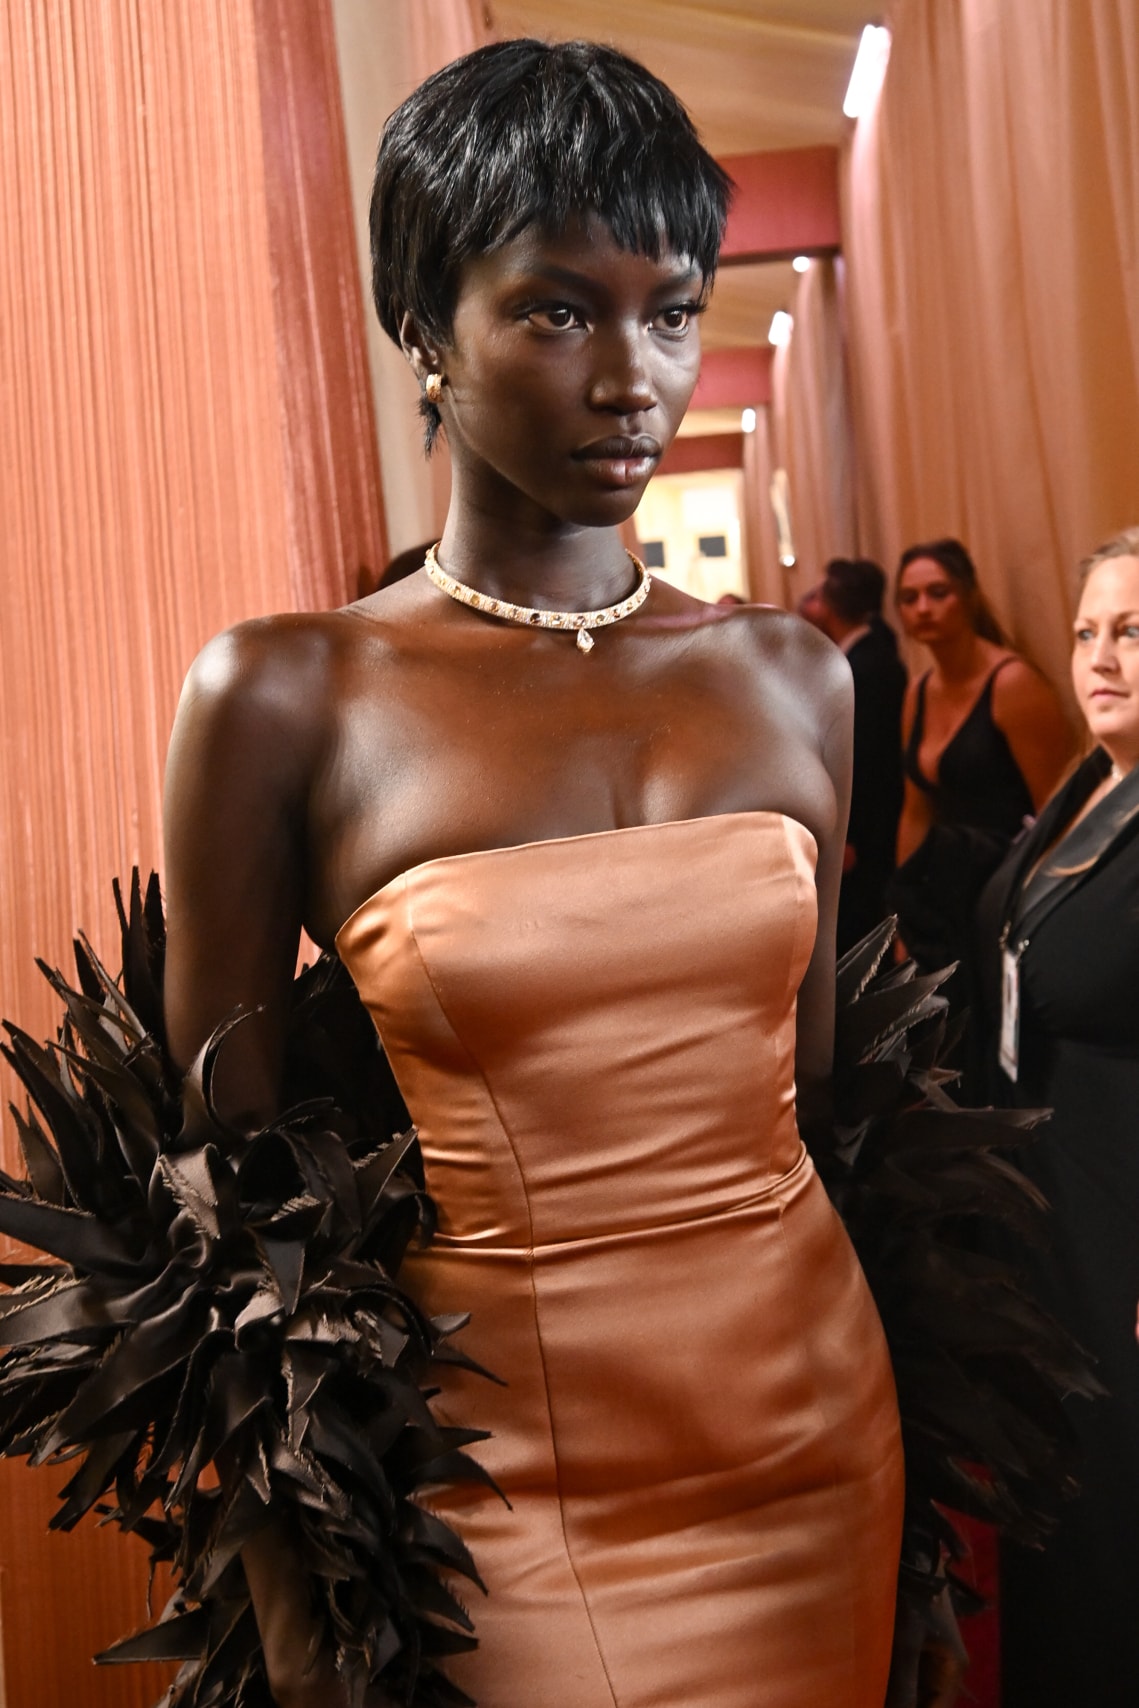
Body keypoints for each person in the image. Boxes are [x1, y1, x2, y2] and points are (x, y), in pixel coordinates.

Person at [161, 41, 914, 1708]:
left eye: (666, 309)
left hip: (815, 1422)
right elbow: (222, 1192)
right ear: (424, 326)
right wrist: (290, 1566)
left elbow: (812, 1080)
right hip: (511, 1482)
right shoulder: (287, 694)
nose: (632, 373)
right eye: (556, 311)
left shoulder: (792, 675)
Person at [977, 526, 1139, 1708]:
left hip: (1122, 1229)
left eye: (1132, 632)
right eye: (1086, 631)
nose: (1101, 658)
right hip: (1050, 1228)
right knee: (1062, 1518)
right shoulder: (1089, 783)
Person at [890, 538, 1072, 986]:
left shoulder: (1012, 684)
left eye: (938, 592)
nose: (923, 608)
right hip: (946, 894)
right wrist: (903, 915)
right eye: (909, 598)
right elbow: (916, 811)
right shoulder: (918, 691)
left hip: (1005, 893)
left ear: (969, 596)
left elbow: (1059, 811)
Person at [816, 558, 907, 953]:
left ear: (829, 605)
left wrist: (851, 835)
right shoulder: (867, 654)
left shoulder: (865, 664)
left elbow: (866, 759)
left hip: (867, 829)